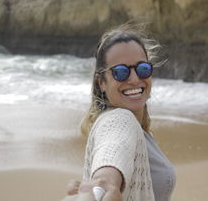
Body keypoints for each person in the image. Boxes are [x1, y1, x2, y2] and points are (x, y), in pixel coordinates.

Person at [63, 24, 176, 201]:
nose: (134, 79)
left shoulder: (142, 131)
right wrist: (104, 183)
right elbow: (113, 147)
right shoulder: (119, 119)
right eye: (121, 72)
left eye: (142, 69)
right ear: (101, 82)